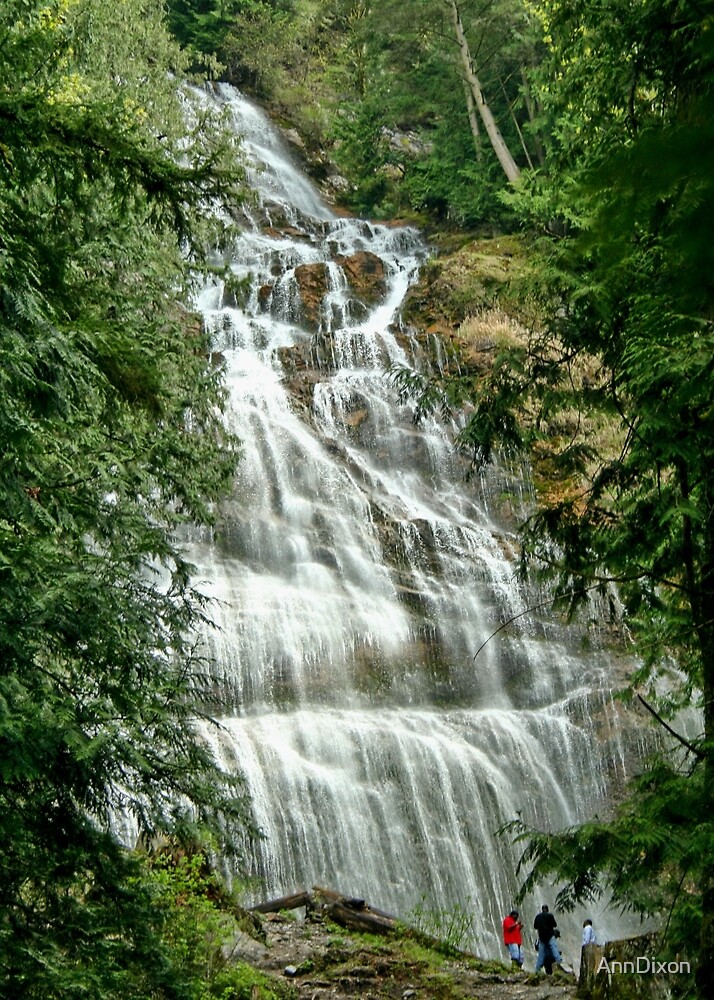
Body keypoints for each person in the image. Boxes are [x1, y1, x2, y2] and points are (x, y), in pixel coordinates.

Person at [534, 904, 562, 974]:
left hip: (542, 937)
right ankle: (559, 962)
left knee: (541, 953)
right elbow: (554, 925)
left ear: (542, 909)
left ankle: (537, 968)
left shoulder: (538, 917)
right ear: (547, 909)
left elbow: (535, 926)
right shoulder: (550, 915)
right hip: (550, 935)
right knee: (554, 948)